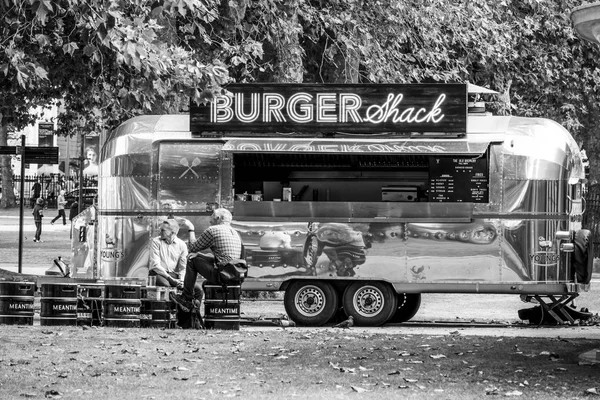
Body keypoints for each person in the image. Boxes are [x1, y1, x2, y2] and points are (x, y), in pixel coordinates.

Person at [170, 208, 243, 311]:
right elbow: (223, 258)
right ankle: (205, 309)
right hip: (233, 275)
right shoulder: (235, 233)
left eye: (212, 215)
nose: (209, 218)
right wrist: (200, 255)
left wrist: (191, 228)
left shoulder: (213, 230)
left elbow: (192, 247)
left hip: (221, 275)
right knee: (206, 283)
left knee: (192, 259)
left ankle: (186, 298)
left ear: (218, 218)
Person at [148, 219, 202, 300]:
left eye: (163, 230)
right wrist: (171, 279)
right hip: (159, 274)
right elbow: (155, 266)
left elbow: (183, 267)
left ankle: (193, 311)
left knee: (198, 289)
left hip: (174, 275)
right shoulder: (155, 242)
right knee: (167, 287)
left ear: (172, 233)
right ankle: (172, 309)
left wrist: (182, 280)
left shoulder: (182, 245)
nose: (160, 232)